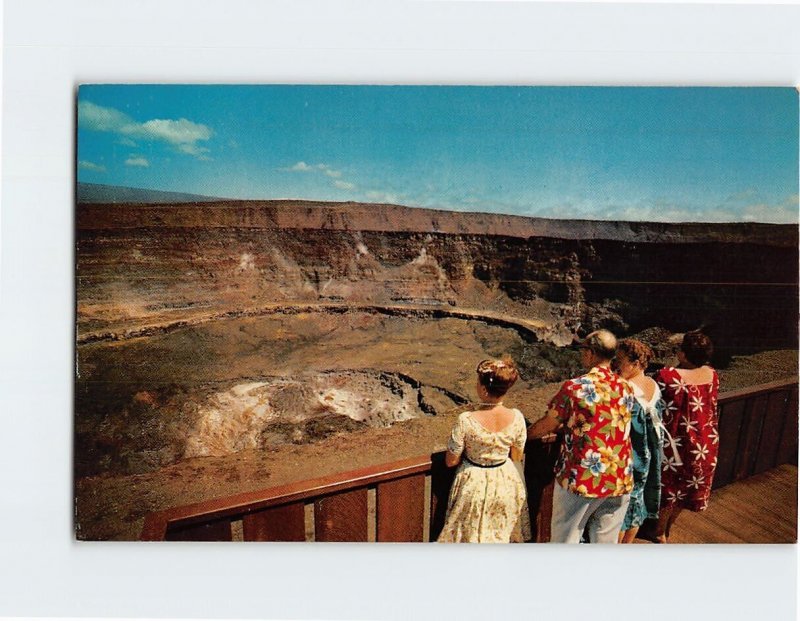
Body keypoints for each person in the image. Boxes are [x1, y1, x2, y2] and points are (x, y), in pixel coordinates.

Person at [528, 329, 634, 543]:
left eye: (584, 349)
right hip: (618, 476)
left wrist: (525, 435)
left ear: (591, 353)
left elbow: (548, 424)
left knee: (565, 538)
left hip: (583, 478)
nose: (581, 354)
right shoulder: (626, 387)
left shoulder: (575, 388)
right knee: (605, 542)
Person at [437, 358, 527, 543]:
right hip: (506, 482)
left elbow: (451, 461)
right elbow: (517, 455)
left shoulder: (466, 420)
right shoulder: (517, 417)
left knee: (469, 537)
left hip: (474, 483)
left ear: (484, 390)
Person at [654, 331, 719, 543]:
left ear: (683, 354)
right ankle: (668, 527)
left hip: (677, 442)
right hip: (706, 441)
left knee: (670, 488)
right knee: (690, 486)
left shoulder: (668, 376)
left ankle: (658, 531)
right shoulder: (712, 375)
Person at [614, 339, 665, 543]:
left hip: (630, 457)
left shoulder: (625, 389)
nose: (615, 365)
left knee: (619, 512)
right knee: (636, 503)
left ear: (635, 364)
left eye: (620, 361)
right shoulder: (653, 385)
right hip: (649, 456)